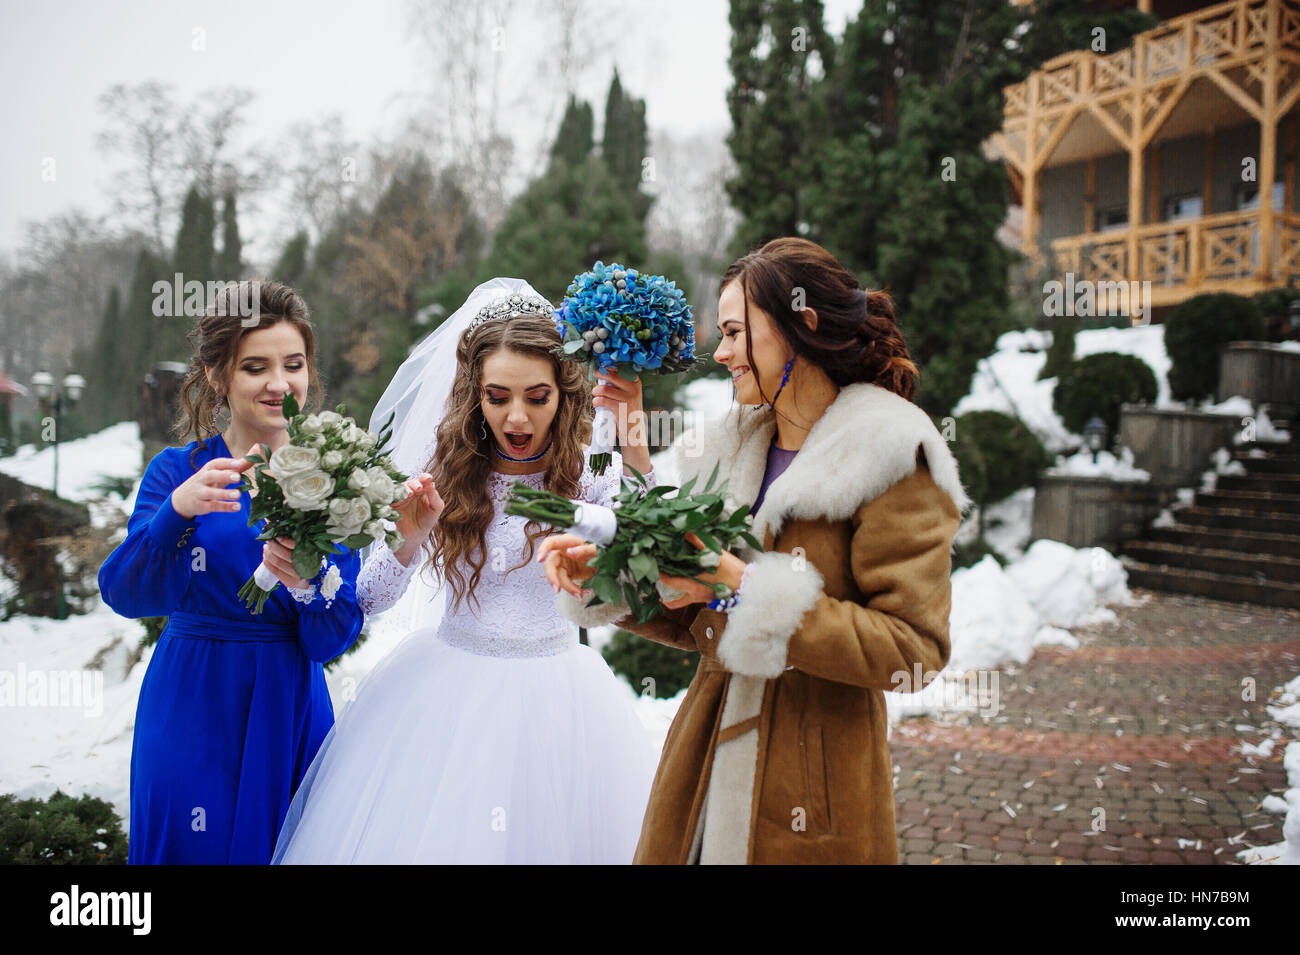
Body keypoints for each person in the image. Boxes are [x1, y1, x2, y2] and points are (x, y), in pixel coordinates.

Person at [541, 237, 974, 864]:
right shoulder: (728, 445)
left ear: (803, 327)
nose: (720, 353)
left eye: (735, 333)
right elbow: (700, 614)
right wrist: (609, 579)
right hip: (700, 762)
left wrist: (746, 588)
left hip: (815, 783)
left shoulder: (892, 452)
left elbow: (914, 648)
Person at [271, 278, 659, 864]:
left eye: (537, 396)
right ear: (474, 395)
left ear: (564, 393)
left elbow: (650, 563)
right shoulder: (445, 475)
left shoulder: (592, 473)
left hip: (562, 699)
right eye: (497, 396)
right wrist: (411, 535)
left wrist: (635, 446)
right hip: (444, 696)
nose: (517, 416)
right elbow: (370, 601)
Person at [98, 280, 365, 864]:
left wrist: (305, 584)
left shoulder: (336, 482)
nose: (279, 383)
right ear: (220, 377)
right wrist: (177, 514)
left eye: (293, 364)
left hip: (288, 698)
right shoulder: (177, 470)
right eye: (255, 367)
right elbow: (123, 591)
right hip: (192, 697)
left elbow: (335, 634)